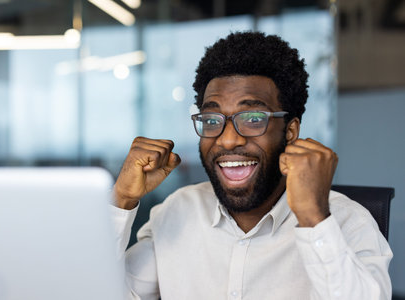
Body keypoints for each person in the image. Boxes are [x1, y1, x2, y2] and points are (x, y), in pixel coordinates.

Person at [111, 31, 393, 299]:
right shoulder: (177, 211)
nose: (228, 140)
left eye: (253, 118)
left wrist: (313, 218)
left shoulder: (348, 221)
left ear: (291, 131)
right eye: (212, 121)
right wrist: (121, 199)